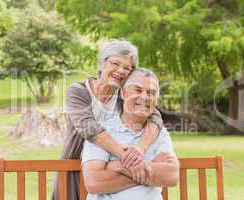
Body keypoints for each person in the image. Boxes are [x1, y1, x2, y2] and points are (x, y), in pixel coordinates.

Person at [52, 39, 164, 200]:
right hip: (77, 168)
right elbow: (88, 127)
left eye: (127, 68)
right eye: (116, 63)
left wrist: (140, 148)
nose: (121, 70)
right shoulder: (78, 91)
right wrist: (127, 156)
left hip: (112, 171)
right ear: (102, 64)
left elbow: (155, 116)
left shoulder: (124, 97)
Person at [82, 68, 179, 200]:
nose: (144, 97)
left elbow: (171, 176)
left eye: (151, 93)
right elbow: (94, 183)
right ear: (124, 93)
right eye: (138, 90)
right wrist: (150, 168)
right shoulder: (102, 130)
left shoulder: (160, 133)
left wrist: (119, 166)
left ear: (156, 100)